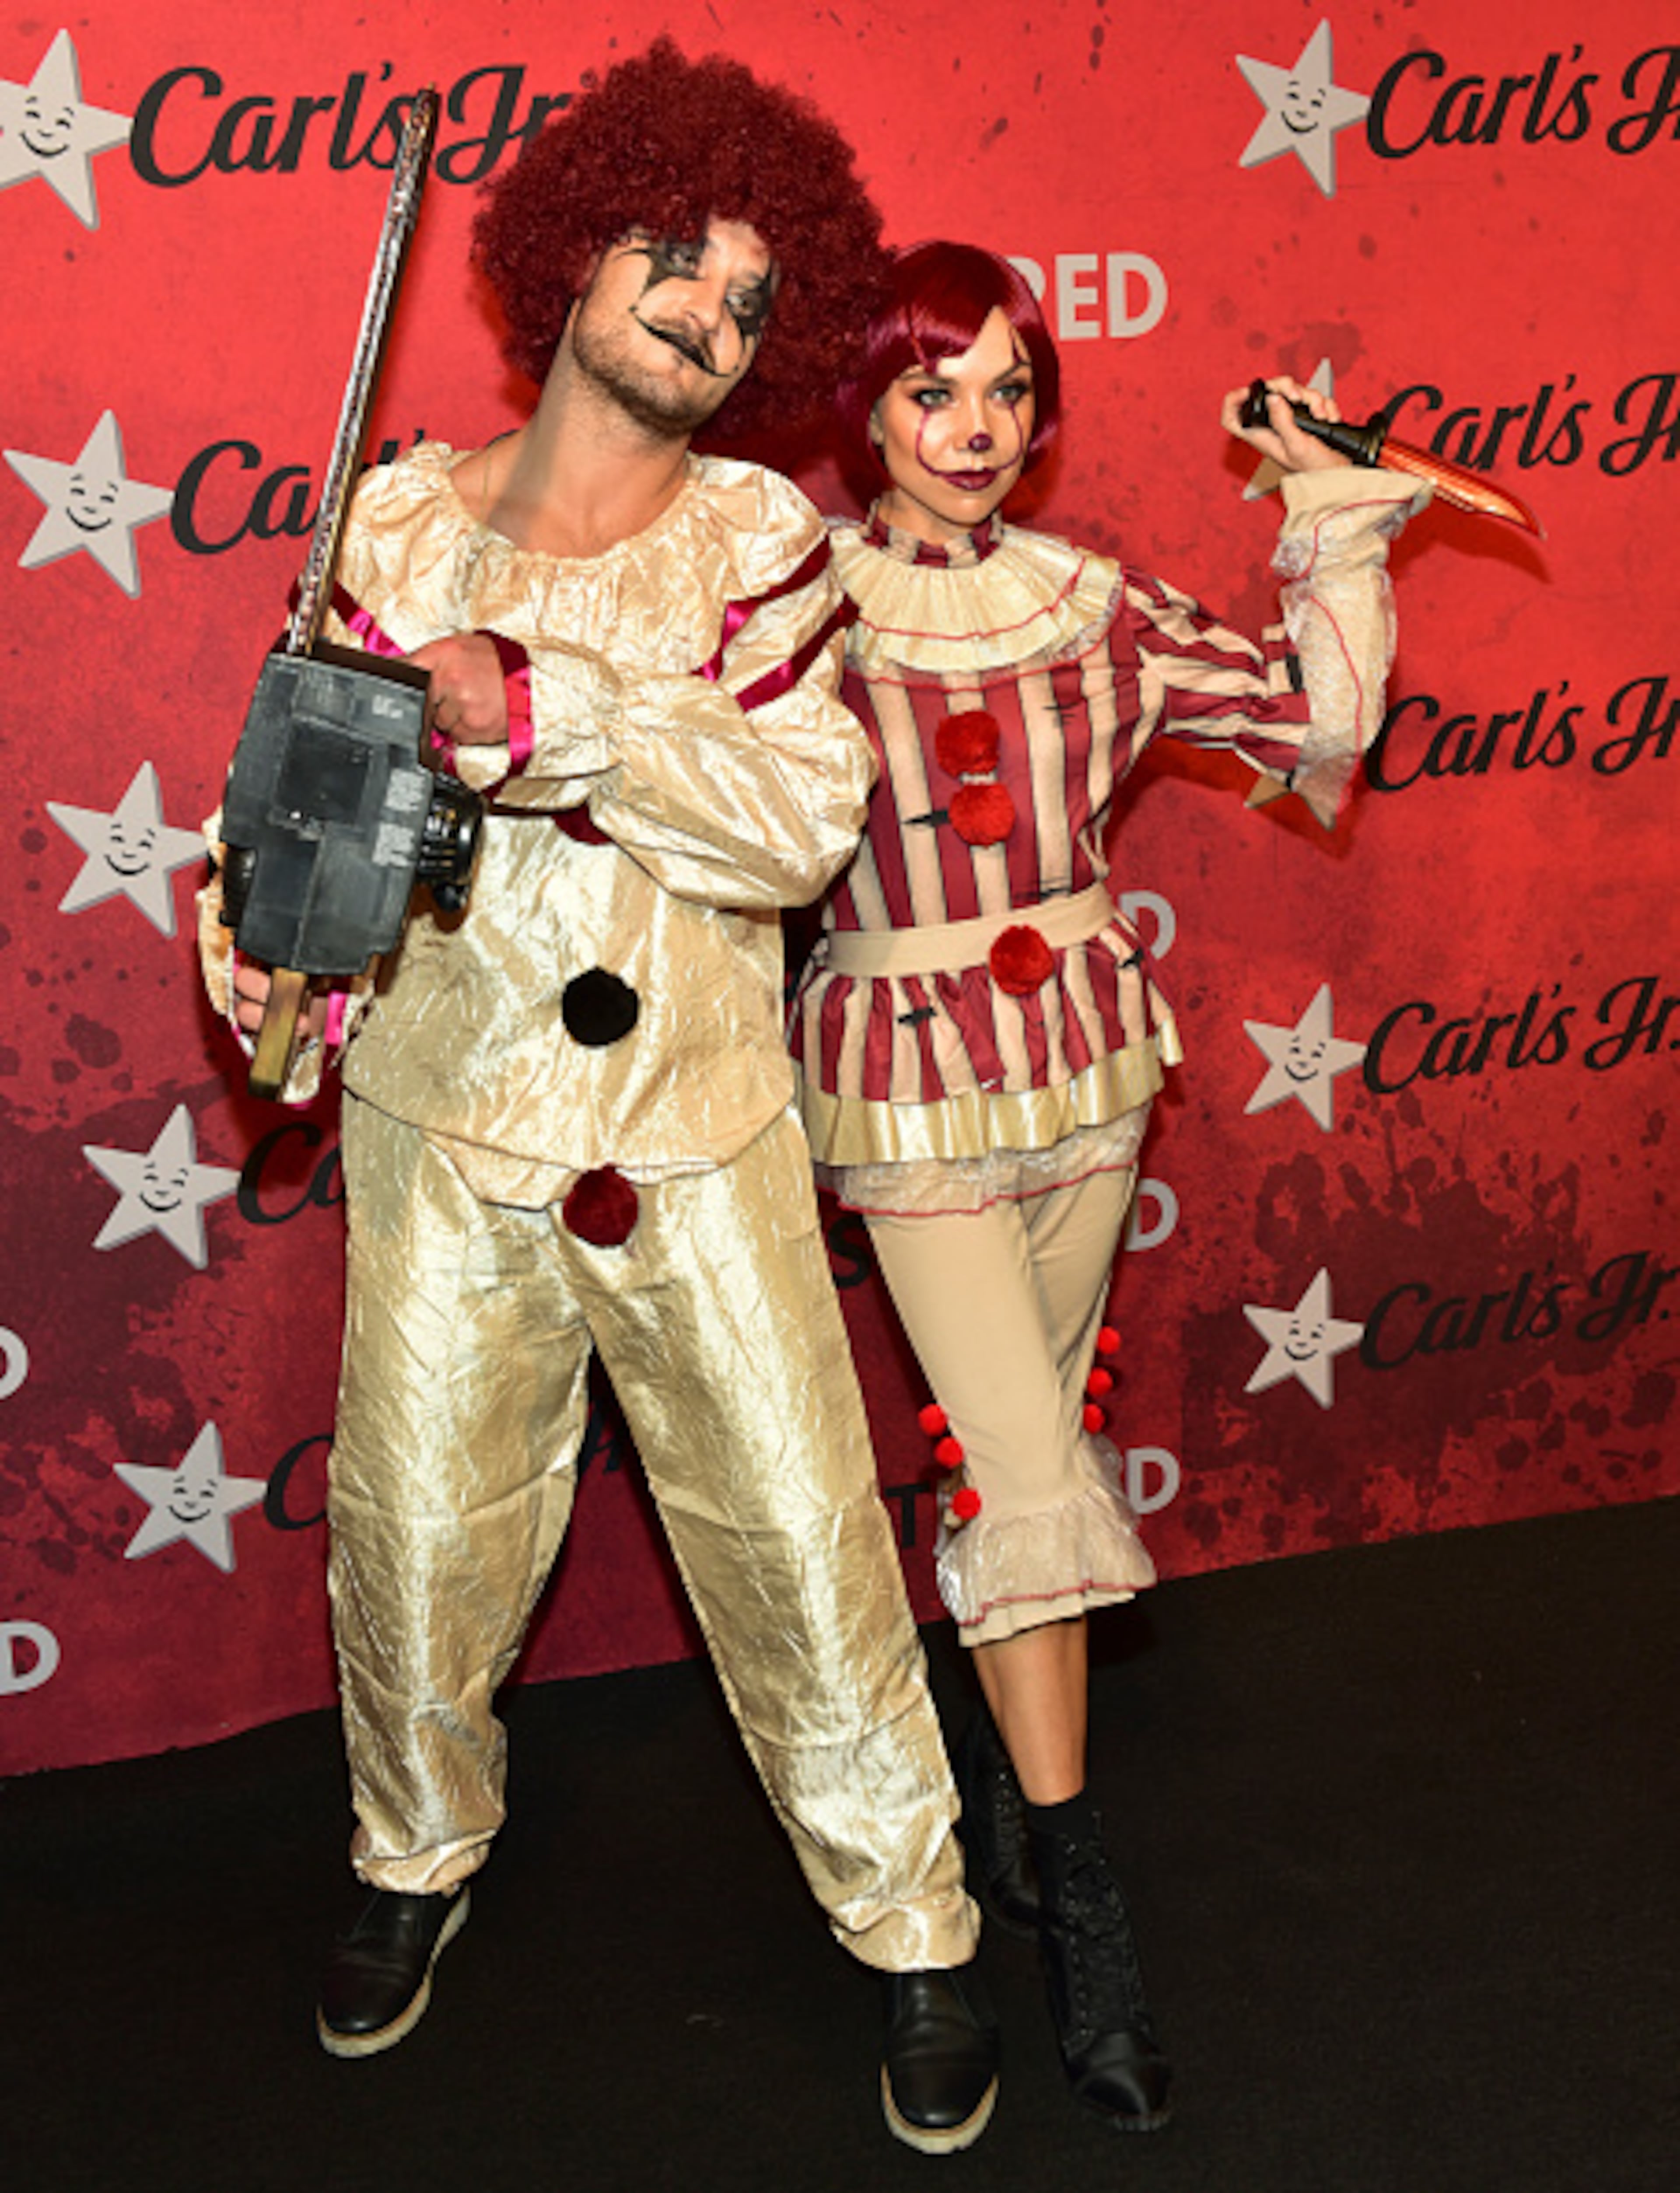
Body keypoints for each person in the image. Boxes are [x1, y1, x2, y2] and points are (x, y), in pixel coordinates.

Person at [197, 51, 999, 2154]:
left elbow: (799, 819)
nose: (702, 314)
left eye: (747, 301)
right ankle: (410, 1855)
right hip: (445, 1134)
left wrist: (542, 703)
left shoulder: (764, 542)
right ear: (574, 251)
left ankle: (915, 1922)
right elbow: (293, 805)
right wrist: (255, 942)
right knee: (418, 1536)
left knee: (804, 1543)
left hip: (697, 1137)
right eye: (672, 256)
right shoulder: (391, 524)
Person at [788, 240, 1425, 2130]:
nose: (974, 428)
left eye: (1008, 390)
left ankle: (1004, 1790)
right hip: (901, 1083)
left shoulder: (1098, 602)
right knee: (1026, 1472)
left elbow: (1321, 725)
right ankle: (1082, 1907)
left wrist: (1333, 521)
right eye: (934, 391)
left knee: (1025, 1450)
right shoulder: (787, 604)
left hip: (1086, 1071)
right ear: (868, 409)